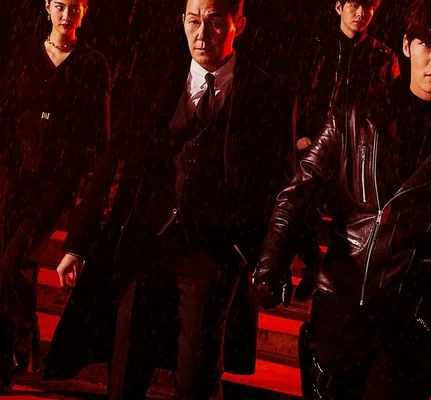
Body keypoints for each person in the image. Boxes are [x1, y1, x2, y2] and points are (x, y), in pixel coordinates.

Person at [253, 0, 431, 398]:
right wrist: (272, 259)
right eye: (427, 44)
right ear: (406, 46)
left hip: (412, 322)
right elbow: (300, 191)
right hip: (343, 304)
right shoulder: (356, 114)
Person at [42, 0, 293, 398]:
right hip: (145, 241)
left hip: (211, 252)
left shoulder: (267, 93)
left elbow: (279, 183)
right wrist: (78, 241)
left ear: (239, 24)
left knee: (196, 376)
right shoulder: (156, 78)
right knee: (126, 369)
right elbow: (113, 159)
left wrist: (260, 256)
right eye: (193, 21)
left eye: (214, 22)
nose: (201, 34)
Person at [0, 0, 110, 389]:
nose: (67, 15)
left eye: (75, 8)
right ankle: (17, 349)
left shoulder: (92, 65)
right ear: (47, 7)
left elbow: (98, 136)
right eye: (60, 6)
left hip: (54, 186)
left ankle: (18, 346)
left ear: (85, 11)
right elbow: (7, 114)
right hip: (13, 179)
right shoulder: (25, 55)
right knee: (13, 266)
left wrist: (80, 187)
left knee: (11, 263)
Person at [291, 0, 400, 301]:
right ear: (339, 7)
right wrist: (301, 136)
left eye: (368, 7)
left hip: (358, 149)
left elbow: (388, 106)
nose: (361, 14)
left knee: (347, 218)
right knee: (300, 206)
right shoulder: (318, 49)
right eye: (354, 5)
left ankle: (329, 279)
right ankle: (313, 261)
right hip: (317, 143)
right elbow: (301, 93)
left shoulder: (382, 56)